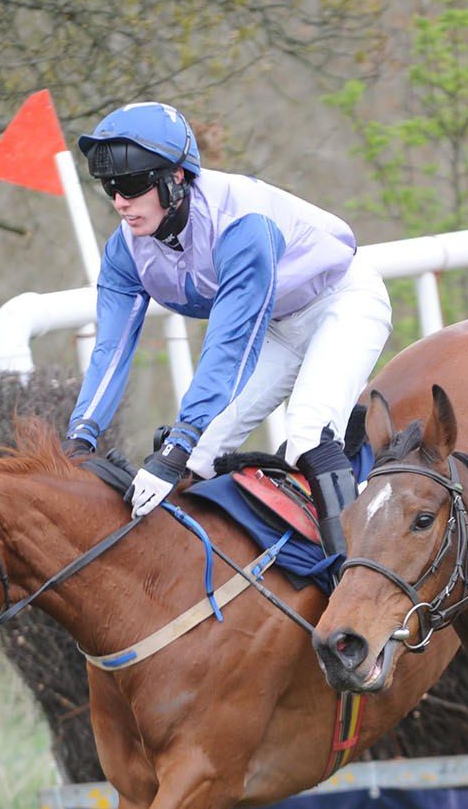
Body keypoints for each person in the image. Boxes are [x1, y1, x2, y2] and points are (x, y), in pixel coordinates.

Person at [66, 101, 392, 565]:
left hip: (342, 301)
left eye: (135, 185)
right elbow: (111, 351)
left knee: (308, 436)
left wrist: (177, 446)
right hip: (277, 325)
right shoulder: (125, 251)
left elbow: (230, 348)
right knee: (194, 456)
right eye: (111, 187)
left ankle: (356, 584)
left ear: (177, 177)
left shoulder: (242, 226)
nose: (121, 202)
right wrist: (79, 438)